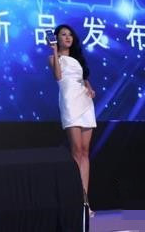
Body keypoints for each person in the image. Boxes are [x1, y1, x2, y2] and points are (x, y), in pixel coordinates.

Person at [47, 25, 96, 211]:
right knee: (76, 151)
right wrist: (54, 50)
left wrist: (90, 89)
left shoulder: (78, 59)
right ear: (56, 38)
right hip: (69, 101)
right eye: (63, 34)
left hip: (85, 102)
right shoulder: (53, 58)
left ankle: (85, 201)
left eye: (70, 35)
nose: (67, 37)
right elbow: (58, 77)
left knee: (85, 152)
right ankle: (77, 200)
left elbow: (84, 79)